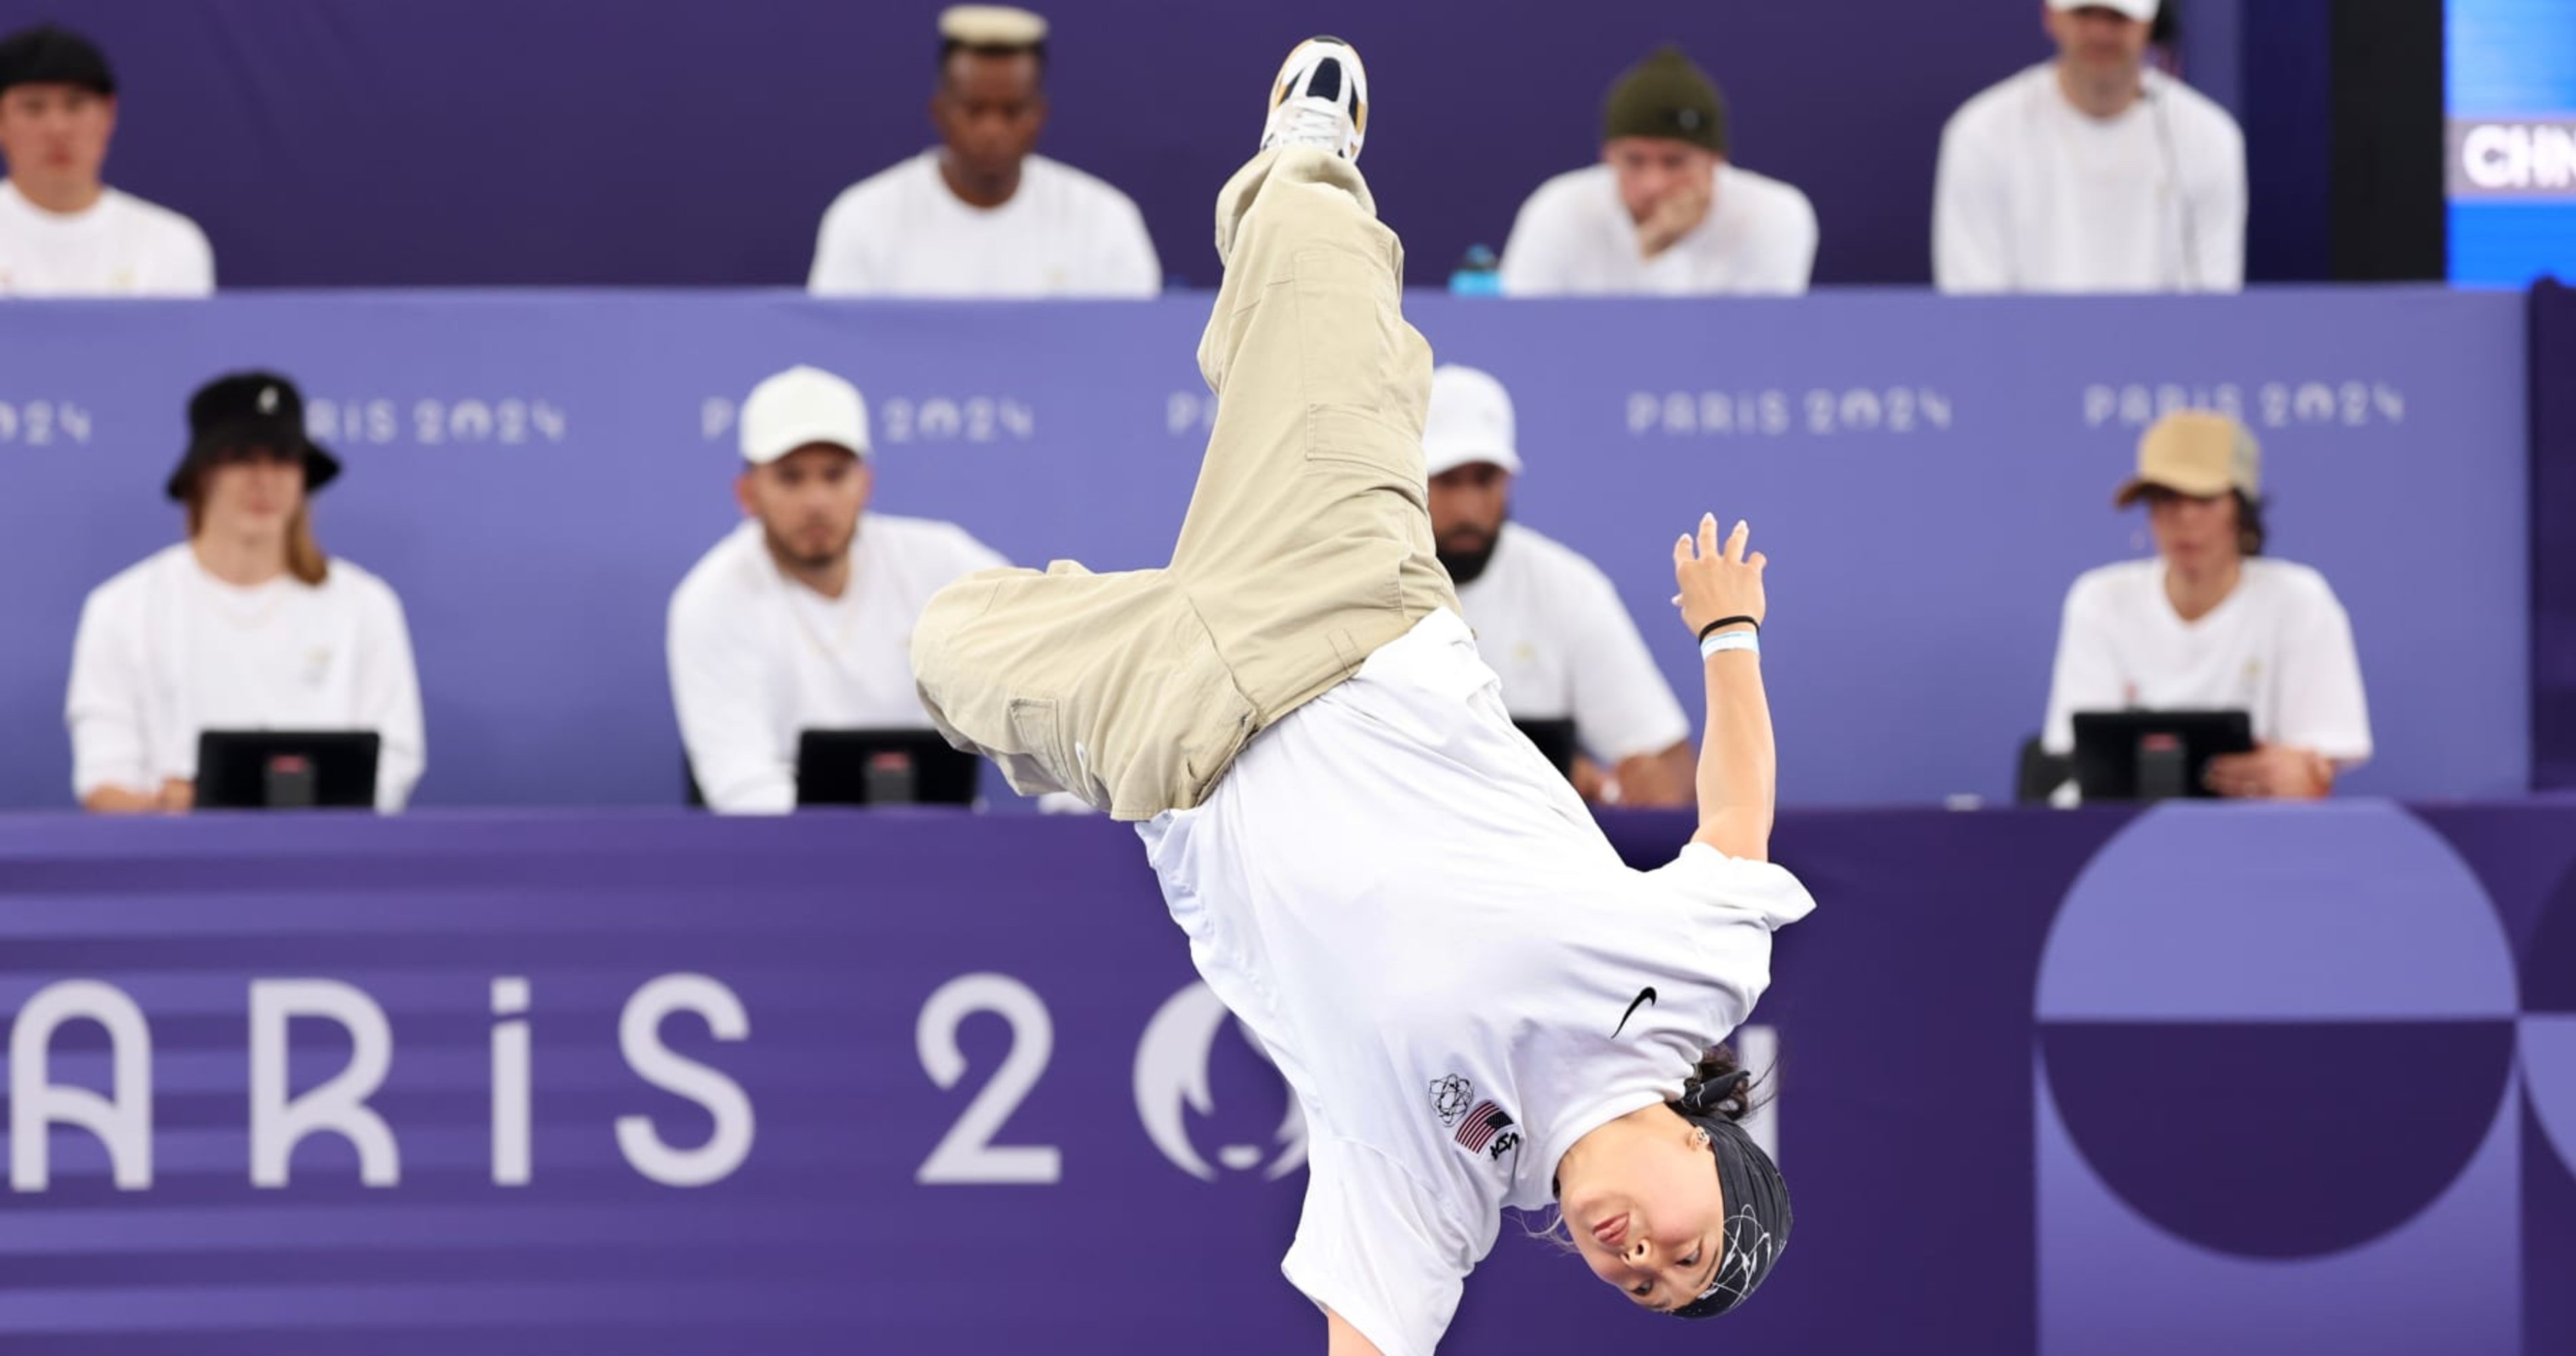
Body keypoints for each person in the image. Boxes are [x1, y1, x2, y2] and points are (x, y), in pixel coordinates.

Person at [911, 39, 1811, 1355]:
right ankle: (1311, 158)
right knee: (1324, 290)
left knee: (942, 645)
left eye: (1651, 1288)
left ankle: (1157, 594)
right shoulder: (1689, 983)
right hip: (1346, 616)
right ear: (1699, 1138)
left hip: (1180, 745)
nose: (1644, 1260)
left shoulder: (1442, 1188)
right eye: (1685, 1242)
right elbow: (1734, 826)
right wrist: (1728, 634)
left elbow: (1368, 1339)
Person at [66, 373, 423, 812]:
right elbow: (104, 781)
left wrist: (307, 808)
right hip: (178, 866)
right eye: (240, 458)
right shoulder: (122, 608)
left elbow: (393, 767)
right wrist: (170, 806)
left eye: (282, 458)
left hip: (330, 866)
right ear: (200, 476)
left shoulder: (366, 606)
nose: (264, 480)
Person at [668, 364, 1006, 814]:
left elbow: (1049, 670)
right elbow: (740, 784)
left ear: (864, 484)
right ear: (747, 493)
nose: (817, 500)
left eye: (834, 474)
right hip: (788, 865)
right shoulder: (710, 600)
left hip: (947, 848)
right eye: (791, 477)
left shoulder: (942, 561)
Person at [2041, 410, 2371, 799]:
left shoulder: (2299, 600)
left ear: (2242, 508)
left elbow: (2317, 765)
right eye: (2165, 498)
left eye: (2204, 498)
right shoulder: (2100, 599)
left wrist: (2301, 776)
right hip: (2120, 838)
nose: (2185, 517)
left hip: (2255, 836)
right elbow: (2083, 752)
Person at [1426, 363, 1695, 805]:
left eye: (1485, 479)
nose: (1469, 506)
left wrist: (1626, 789)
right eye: (1448, 481)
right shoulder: (1360, 586)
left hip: (1537, 864)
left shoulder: (1568, 588)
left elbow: (1672, 773)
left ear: (1508, 479)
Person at [807, 5, 1159, 298]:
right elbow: (836, 356)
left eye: (1012, 111)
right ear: (940, 112)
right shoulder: (863, 217)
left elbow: (1129, 352)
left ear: (1039, 114)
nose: (992, 131)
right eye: (974, 110)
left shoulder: (1104, 220)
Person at [1931, 0, 2245, 294]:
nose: (2100, 33)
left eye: (2118, 18)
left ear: (2152, 23)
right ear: (2051, 16)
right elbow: (1973, 306)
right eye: (2084, 14)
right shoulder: (1981, 134)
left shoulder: (2209, 139)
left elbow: (2211, 305)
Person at [1497, 45, 1816, 297]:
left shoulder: (1775, 213)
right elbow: (1521, 332)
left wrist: (1663, 248)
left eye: (1674, 162)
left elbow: (1761, 344)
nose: (1654, 184)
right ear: (1607, 156)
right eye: (1634, 160)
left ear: (1716, 160)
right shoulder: (1557, 207)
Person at [0, 22, 212, 297]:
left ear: (109, 114)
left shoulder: (170, 244)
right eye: (33, 107)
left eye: (75, 105)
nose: (58, 128)